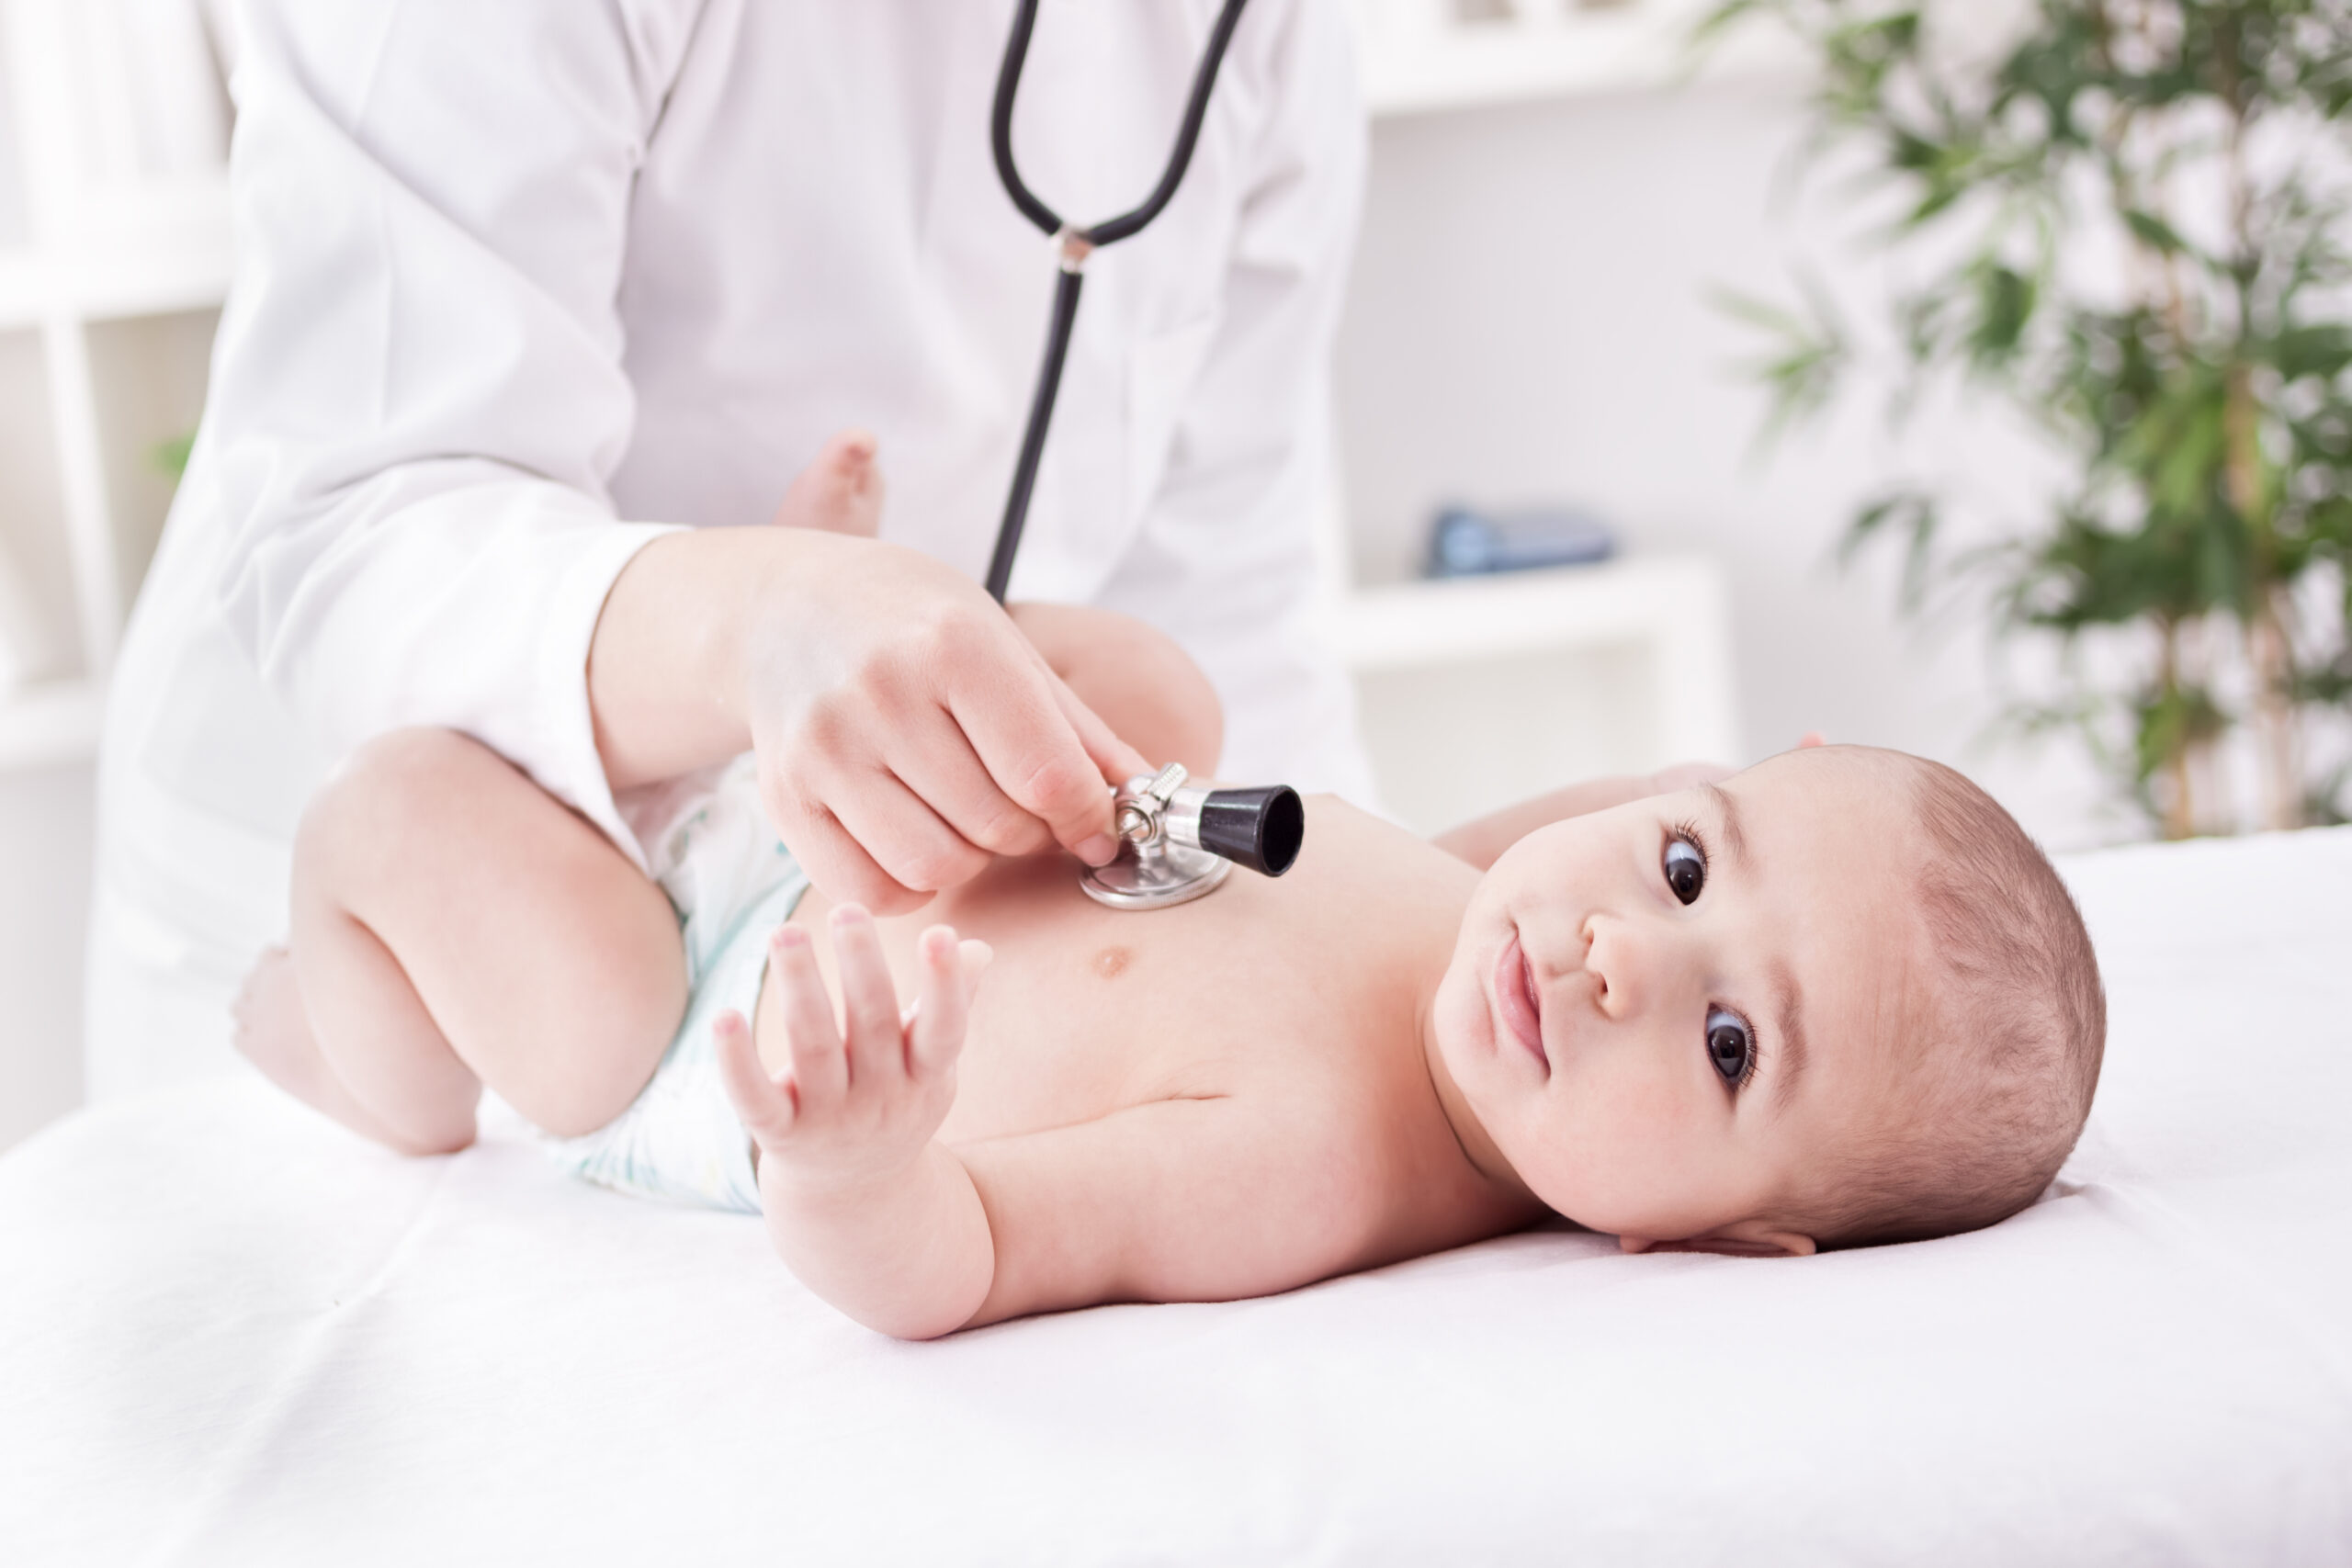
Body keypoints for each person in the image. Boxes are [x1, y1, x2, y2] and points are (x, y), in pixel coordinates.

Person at [233, 457, 2109, 1339]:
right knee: (1160, 696)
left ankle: (348, 1046)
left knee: (397, 804)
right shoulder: (1478, 907)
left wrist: (853, 1157)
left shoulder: (1299, 1160)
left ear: (1723, 1238)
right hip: (828, 831)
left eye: (1723, 1041)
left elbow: (963, 1252)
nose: (1622, 948)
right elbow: (1587, 840)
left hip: (699, 1009)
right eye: (1688, 861)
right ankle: (842, 621)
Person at [89, 0, 1371, 1100]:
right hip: (401, 919)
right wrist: (756, 620)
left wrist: (1344, 978)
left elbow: (1231, 576)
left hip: (859, 930)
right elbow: (366, 517)